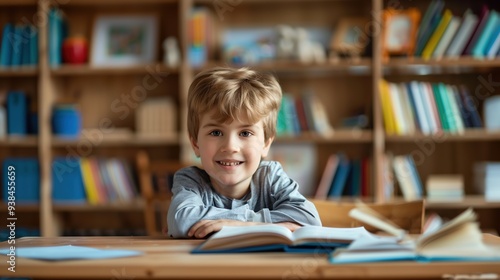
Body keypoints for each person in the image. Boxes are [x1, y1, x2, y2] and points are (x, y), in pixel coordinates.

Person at [167, 67, 321, 238]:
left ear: (265, 144)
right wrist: (261, 223)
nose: (231, 146)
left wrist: (244, 224)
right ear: (195, 143)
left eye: (245, 133)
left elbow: (310, 220)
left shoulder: (270, 177)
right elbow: (181, 222)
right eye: (216, 132)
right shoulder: (191, 180)